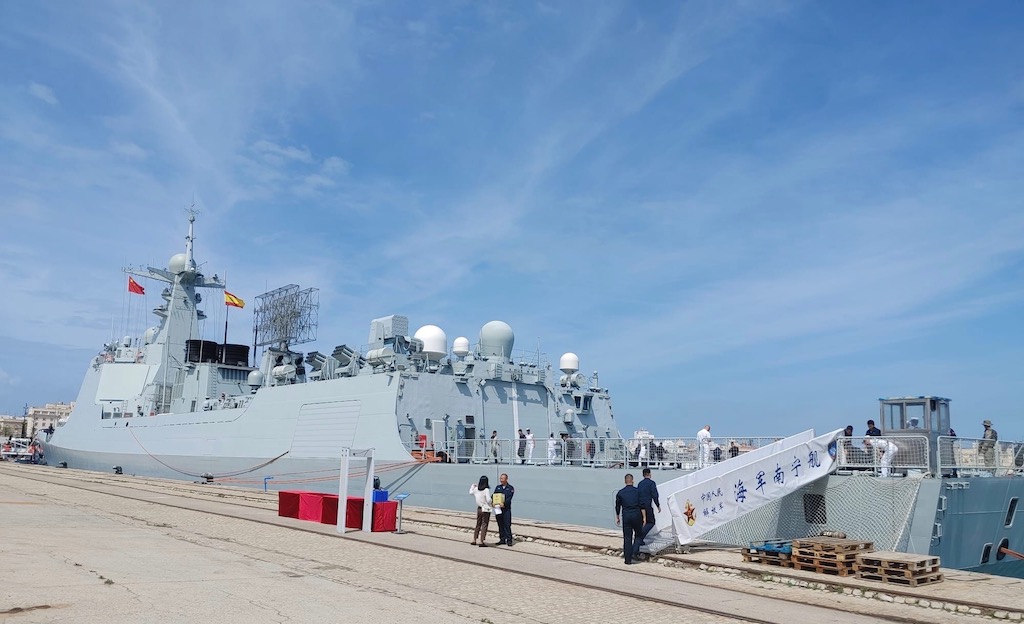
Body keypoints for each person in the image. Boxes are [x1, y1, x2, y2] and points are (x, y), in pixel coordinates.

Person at [614, 473, 646, 565]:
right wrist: (644, 517)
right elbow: (642, 505)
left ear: (625, 481)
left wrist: (617, 517)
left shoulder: (620, 493)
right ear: (632, 481)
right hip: (636, 515)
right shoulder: (638, 491)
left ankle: (627, 560)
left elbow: (617, 507)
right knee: (639, 535)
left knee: (627, 538)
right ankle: (634, 551)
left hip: (626, 516)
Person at [634, 468, 660, 560]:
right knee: (651, 522)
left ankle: (639, 540)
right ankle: (640, 538)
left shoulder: (640, 484)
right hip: (647, 506)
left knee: (642, 523)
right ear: (649, 474)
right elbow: (655, 494)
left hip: (639, 506)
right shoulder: (651, 483)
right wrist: (658, 505)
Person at [469, 475, 492, 546]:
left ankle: (474, 539)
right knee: (484, 524)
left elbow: (470, 492)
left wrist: (472, 486)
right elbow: (488, 500)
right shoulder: (486, 490)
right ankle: (481, 541)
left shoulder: (476, 489)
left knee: (478, 524)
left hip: (479, 508)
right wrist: (492, 501)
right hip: (485, 508)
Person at [493, 473, 515, 546]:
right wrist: (493, 502)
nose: (501, 480)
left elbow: (509, 498)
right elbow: (494, 496)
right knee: (500, 524)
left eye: (502, 478)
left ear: (506, 479)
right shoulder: (498, 487)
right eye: (500, 478)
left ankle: (509, 540)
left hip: (506, 509)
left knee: (507, 525)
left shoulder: (510, 488)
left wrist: (504, 503)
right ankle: (502, 539)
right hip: (498, 509)